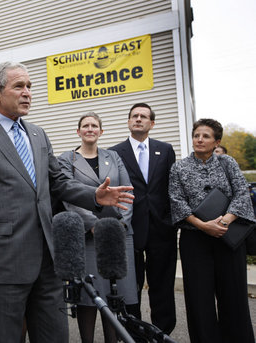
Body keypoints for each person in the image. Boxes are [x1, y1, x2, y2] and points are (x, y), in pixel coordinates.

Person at [0, 61, 134, 343]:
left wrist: (93, 195)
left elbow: (59, 182)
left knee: (54, 336)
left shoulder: (38, 134)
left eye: (30, 87)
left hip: (48, 258)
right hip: (4, 259)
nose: (27, 93)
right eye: (19, 86)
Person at [169, 118, 255, 343]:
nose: (199, 139)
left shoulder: (227, 163)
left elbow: (242, 194)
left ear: (217, 141)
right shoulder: (179, 167)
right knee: (199, 299)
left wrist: (224, 222)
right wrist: (203, 225)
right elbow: (176, 201)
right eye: (197, 135)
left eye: (206, 136)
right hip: (195, 240)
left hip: (228, 237)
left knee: (233, 297)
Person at [58, 112, 137, 343]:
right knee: (89, 294)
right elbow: (69, 196)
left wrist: (120, 224)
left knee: (115, 293)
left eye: (94, 125)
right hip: (87, 236)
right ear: (78, 131)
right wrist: (94, 226)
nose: (90, 129)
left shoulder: (113, 157)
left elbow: (127, 192)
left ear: (101, 132)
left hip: (118, 235)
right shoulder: (66, 159)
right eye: (85, 125)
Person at [109, 103, 177, 334]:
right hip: (130, 228)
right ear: (129, 122)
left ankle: (162, 332)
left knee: (162, 285)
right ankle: (132, 332)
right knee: (131, 287)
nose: (138, 119)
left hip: (161, 228)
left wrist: (170, 220)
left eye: (143, 116)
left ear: (152, 123)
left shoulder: (165, 150)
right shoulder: (114, 152)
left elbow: (172, 188)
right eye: (134, 116)